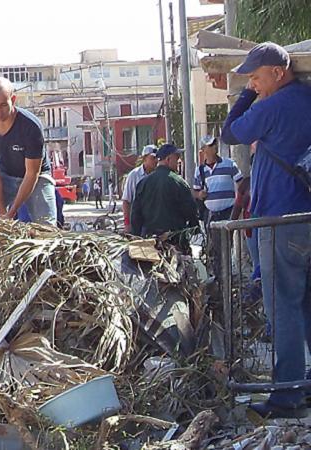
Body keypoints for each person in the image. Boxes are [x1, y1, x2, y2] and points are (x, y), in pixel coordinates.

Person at [220, 42, 311, 418]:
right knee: (306, 305)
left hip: (278, 219)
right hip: (305, 218)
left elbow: (228, 133)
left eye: (256, 77)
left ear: (277, 72)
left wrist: (243, 96)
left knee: (282, 307)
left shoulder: (273, 107)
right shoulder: (307, 98)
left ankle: (287, 395)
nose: (253, 84)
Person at [0, 78, 57, 225]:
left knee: (46, 226)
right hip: (4, 176)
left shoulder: (31, 126)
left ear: (13, 99)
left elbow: (32, 174)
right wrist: (1, 211)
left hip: (37, 178)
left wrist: (12, 212)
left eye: (3, 105)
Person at [193, 135, 243, 281]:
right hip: (211, 214)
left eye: (215, 144)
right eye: (210, 145)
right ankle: (219, 279)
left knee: (226, 246)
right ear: (204, 150)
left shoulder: (229, 164)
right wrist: (200, 194)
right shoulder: (200, 170)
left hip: (228, 211)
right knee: (214, 248)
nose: (214, 147)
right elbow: (195, 191)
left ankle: (226, 277)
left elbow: (241, 185)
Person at [131, 144, 199, 239]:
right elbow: (190, 211)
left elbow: (135, 214)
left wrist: (136, 236)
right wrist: (195, 228)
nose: (179, 161)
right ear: (168, 159)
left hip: (150, 241)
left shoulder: (143, 183)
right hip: (175, 239)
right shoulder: (179, 182)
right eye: (177, 158)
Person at [122, 145, 158, 232]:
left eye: (157, 158)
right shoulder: (134, 175)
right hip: (138, 221)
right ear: (145, 158)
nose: (156, 161)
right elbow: (126, 201)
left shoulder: (158, 175)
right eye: (153, 158)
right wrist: (127, 224)